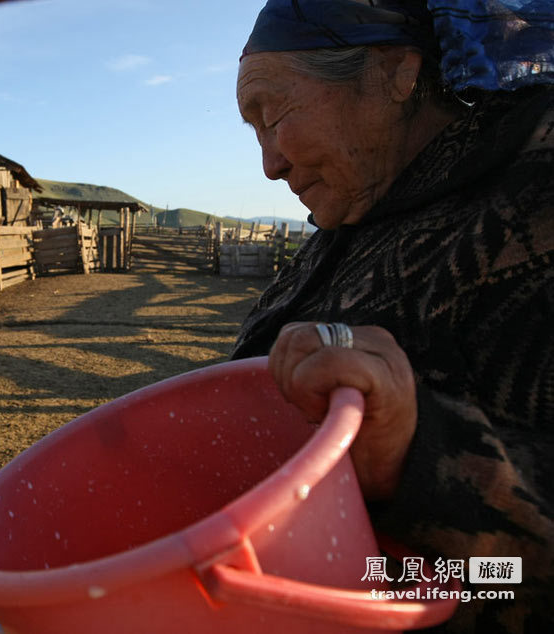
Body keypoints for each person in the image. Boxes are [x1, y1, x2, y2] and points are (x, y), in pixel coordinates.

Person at [233, 1, 553, 631]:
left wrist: (416, 455)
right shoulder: (357, 215)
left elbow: (514, 581)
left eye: (272, 116)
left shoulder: (536, 203)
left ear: (397, 74)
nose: (269, 165)